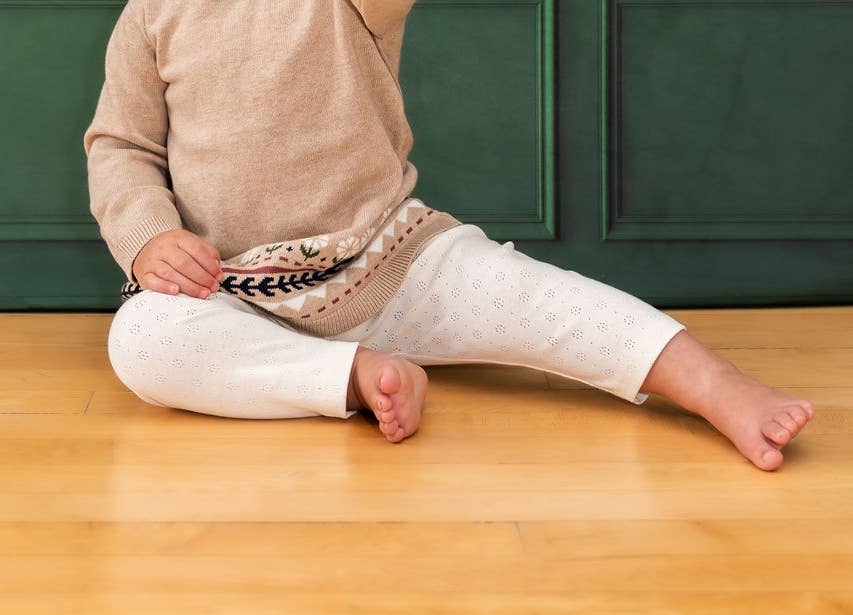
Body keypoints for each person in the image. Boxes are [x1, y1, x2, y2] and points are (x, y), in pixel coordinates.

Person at [83, 0, 814, 471]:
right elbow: (121, 145)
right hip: (230, 287)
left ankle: (714, 384)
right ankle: (351, 377)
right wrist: (150, 237)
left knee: (543, 301)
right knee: (143, 341)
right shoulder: (150, 14)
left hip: (391, 259)